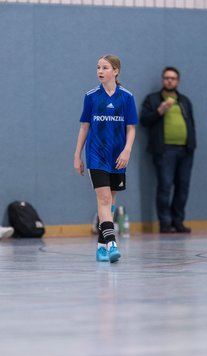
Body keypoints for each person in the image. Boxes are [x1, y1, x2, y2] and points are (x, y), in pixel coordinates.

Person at [74, 54, 138, 262]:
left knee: (109, 203)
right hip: (96, 155)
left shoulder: (126, 97)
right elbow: (85, 127)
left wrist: (127, 150)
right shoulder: (91, 96)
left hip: (117, 156)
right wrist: (77, 155)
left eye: (105, 67)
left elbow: (131, 128)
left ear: (116, 71)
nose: (100, 71)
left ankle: (101, 246)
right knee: (103, 199)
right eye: (98, 67)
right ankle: (112, 244)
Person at [140, 67, 196, 233]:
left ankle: (178, 221)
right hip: (164, 150)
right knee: (165, 186)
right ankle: (165, 222)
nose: (169, 80)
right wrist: (160, 111)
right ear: (163, 80)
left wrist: (192, 145)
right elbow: (144, 120)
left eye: (173, 78)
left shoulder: (184, 100)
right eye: (166, 78)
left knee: (182, 186)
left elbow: (191, 123)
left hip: (185, 151)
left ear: (178, 81)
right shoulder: (153, 99)